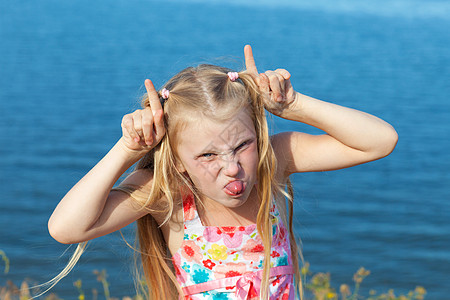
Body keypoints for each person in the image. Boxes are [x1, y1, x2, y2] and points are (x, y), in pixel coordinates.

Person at [47, 45, 398, 300]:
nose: (232, 168)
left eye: (243, 145)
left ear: (259, 135)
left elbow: (380, 141)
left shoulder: (270, 162)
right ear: (178, 159)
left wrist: (295, 105)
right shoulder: (168, 192)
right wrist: (128, 150)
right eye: (208, 154)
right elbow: (67, 228)